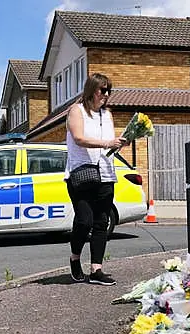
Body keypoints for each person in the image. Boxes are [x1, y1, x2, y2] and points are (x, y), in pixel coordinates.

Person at [65, 73, 128, 286]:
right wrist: (106, 143)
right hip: (81, 174)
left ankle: (96, 270)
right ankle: (75, 258)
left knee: (102, 221)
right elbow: (79, 138)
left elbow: (109, 142)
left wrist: (119, 143)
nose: (106, 95)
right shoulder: (76, 110)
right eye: (103, 90)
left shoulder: (107, 115)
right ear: (92, 90)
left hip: (106, 173)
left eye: (109, 90)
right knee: (85, 220)